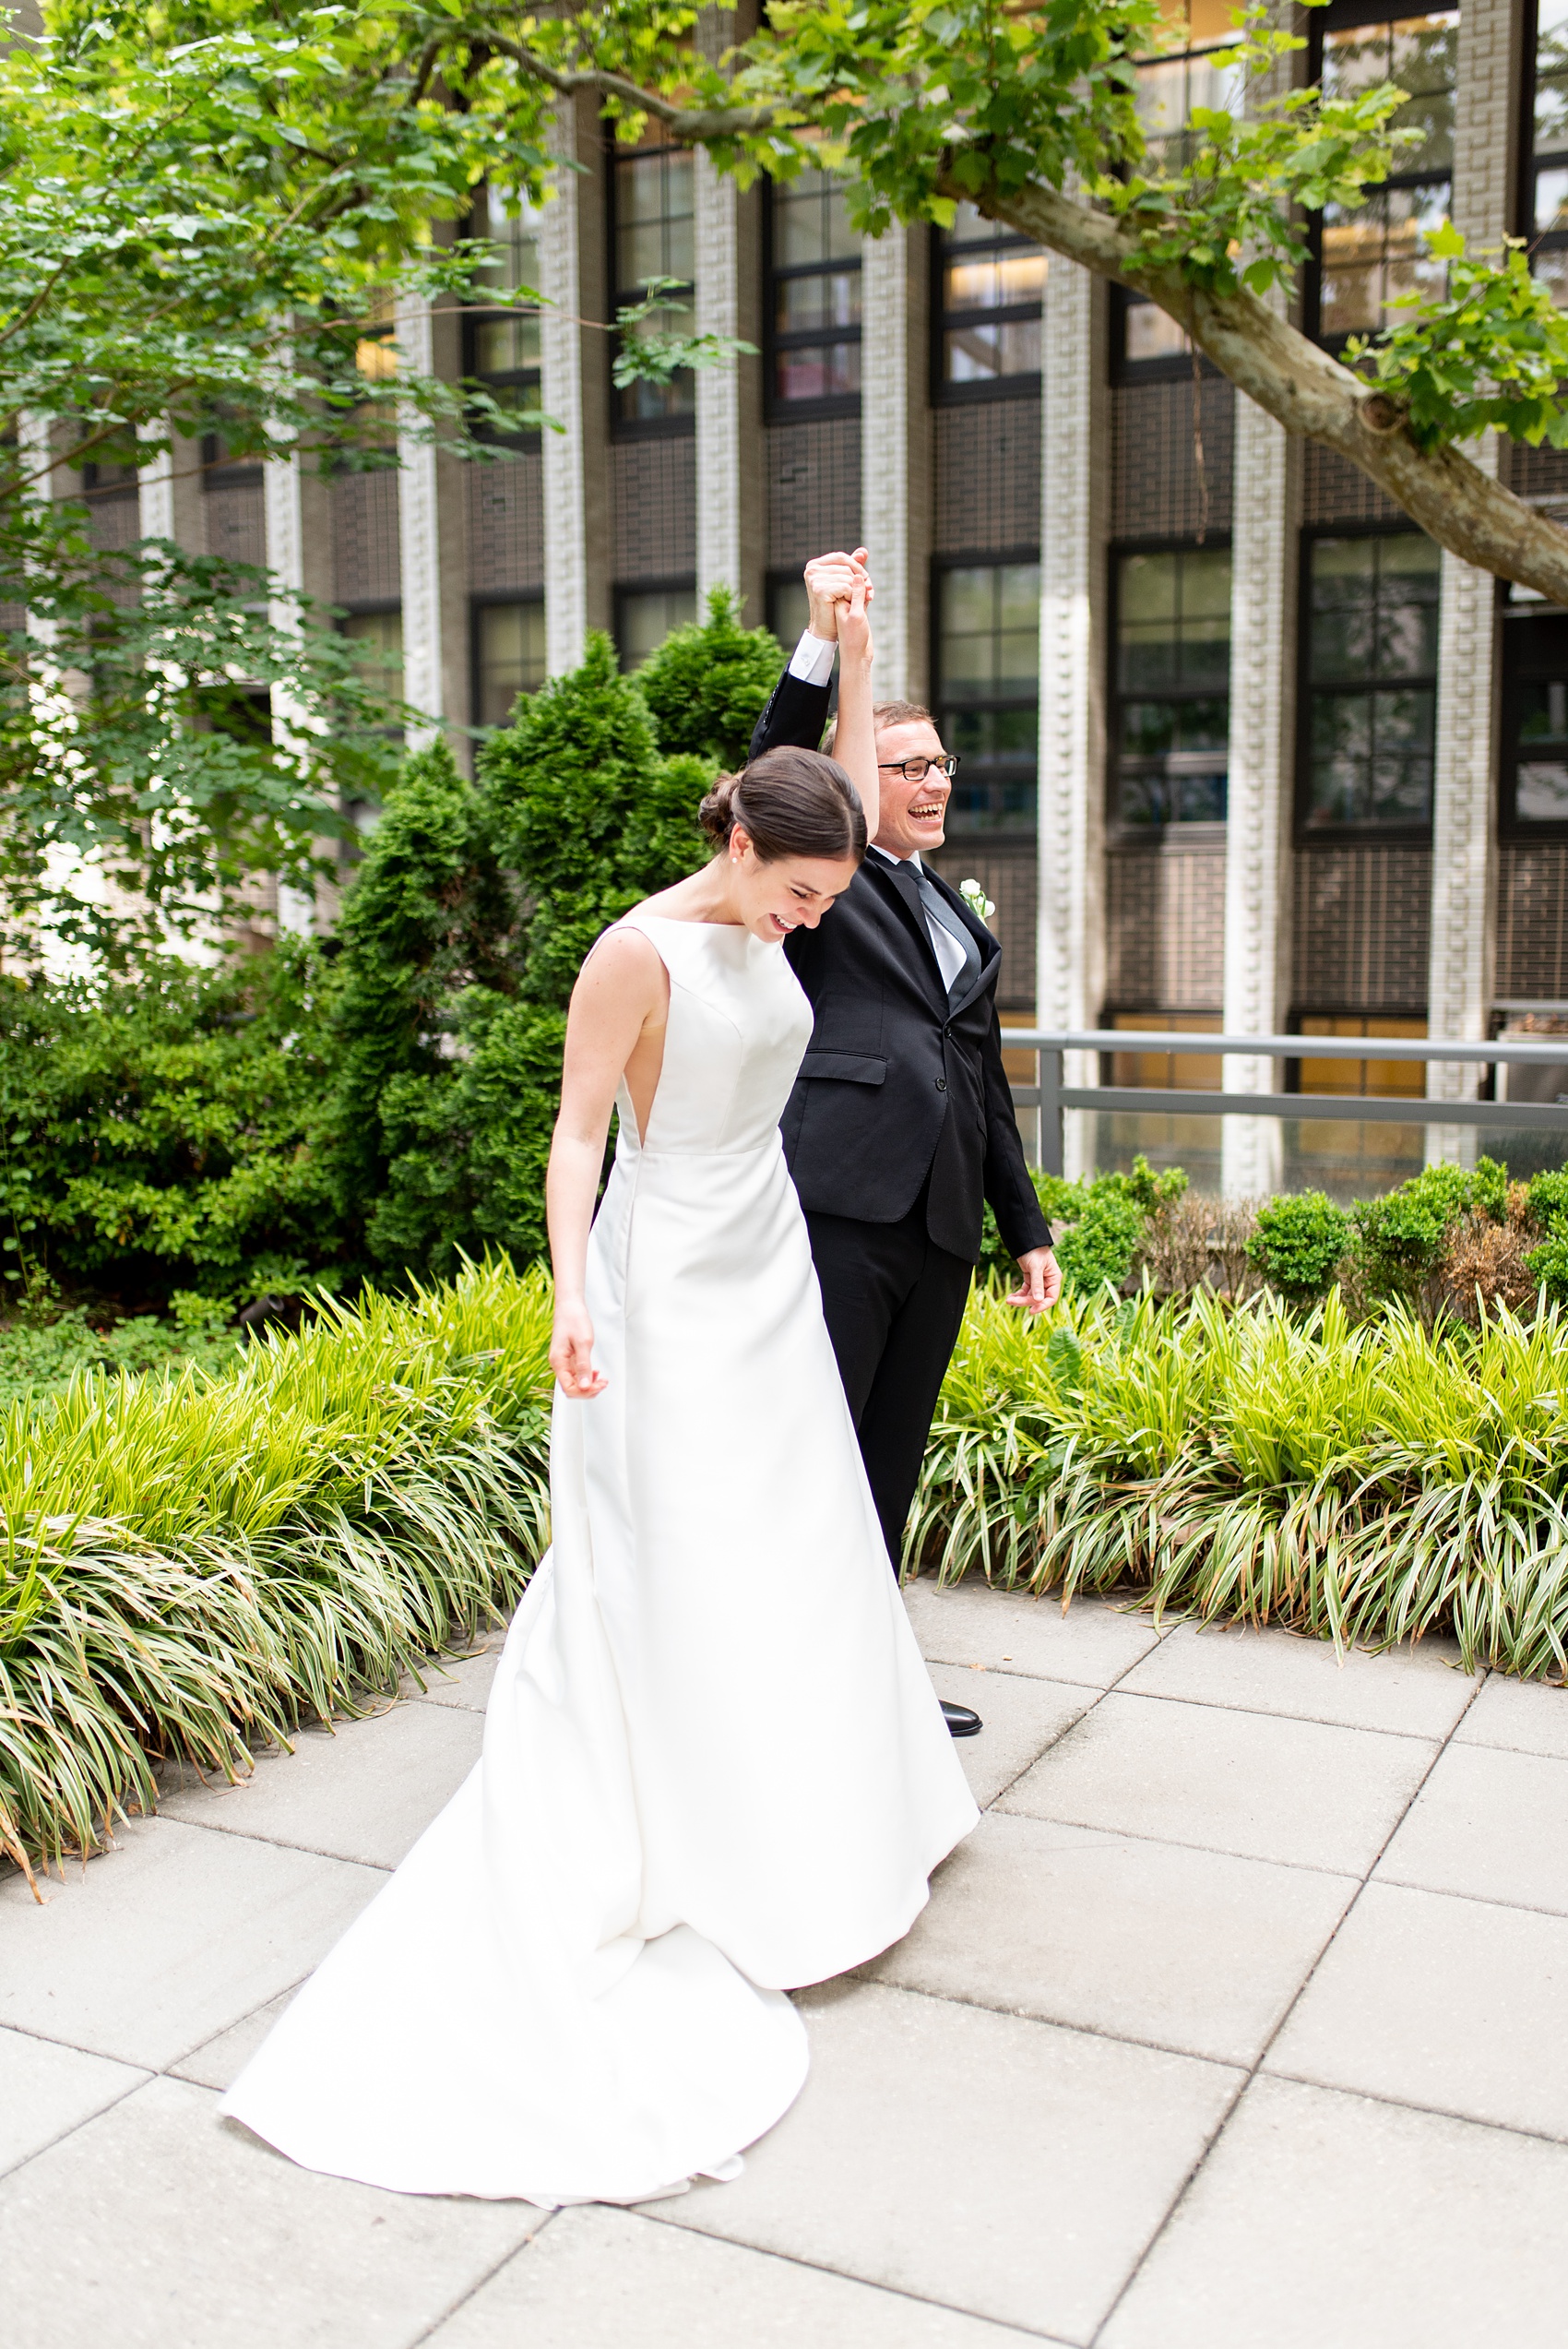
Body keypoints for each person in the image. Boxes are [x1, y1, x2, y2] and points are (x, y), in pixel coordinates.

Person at [219, 572, 978, 2208]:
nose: (804, 921)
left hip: (771, 1261)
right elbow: (576, 1139)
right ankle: (692, 1830)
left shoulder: (809, 872)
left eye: (820, 899)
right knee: (680, 1550)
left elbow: (842, 759)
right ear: (734, 854)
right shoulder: (636, 952)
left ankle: (830, 1823)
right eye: (790, 896)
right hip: (662, 1279)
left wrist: (850, 643)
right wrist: (573, 1294)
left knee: (801, 1539)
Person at [752, 549, 1061, 1735]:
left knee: (887, 1460)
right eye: (911, 764)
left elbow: (979, 1074)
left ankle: (867, 1686)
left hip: (937, 1223)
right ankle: (784, 1690)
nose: (937, 782)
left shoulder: (954, 912)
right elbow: (771, 757)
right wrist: (825, 638)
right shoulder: (825, 881)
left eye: (943, 763)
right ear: (855, 777)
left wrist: (1021, 1225)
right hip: (835, 1202)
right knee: (813, 1453)